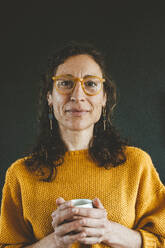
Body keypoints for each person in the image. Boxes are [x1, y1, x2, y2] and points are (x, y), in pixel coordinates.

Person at [0, 41, 165, 248]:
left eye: (91, 84)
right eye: (65, 83)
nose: (78, 96)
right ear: (49, 96)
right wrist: (55, 241)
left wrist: (108, 230)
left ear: (104, 97)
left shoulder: (137, 165)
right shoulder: (20, 175)